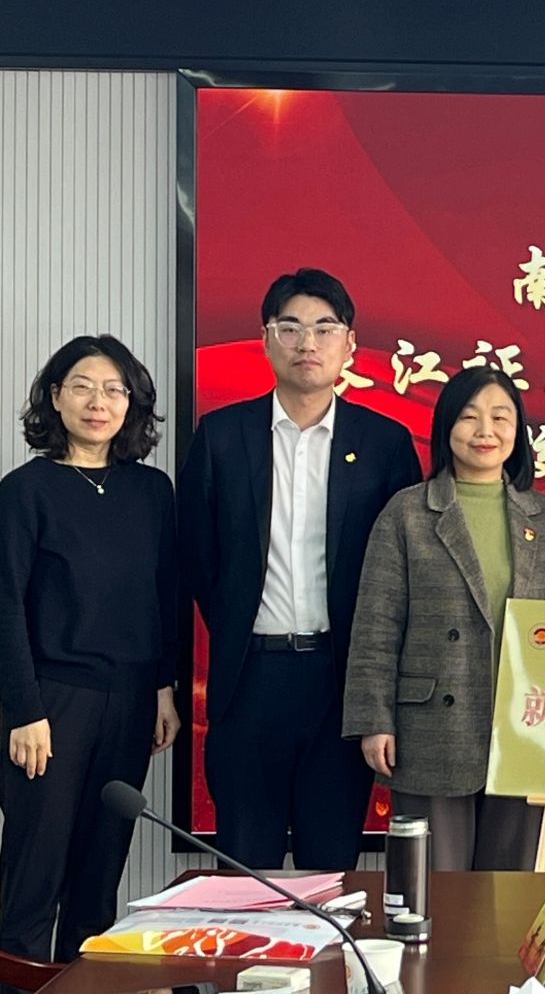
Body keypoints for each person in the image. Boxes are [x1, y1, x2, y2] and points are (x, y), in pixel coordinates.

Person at [180, 268, 422, 869]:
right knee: (245, 871)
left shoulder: (385, 443)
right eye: (289, 328)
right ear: (266, 340)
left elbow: (401, 573)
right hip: (249, 678)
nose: (307, 343)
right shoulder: (221, 436)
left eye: (324, 328)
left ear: (349, 344)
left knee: (330, 868)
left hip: (341, 684)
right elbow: (197, 557)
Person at [0, 335, 180, 962]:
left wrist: (164, 688)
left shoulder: (152, 492)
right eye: (83, 387)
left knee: (98, 884)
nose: (99, 403)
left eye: (114, 390)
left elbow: (165, 595)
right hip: (51, 705)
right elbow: (3, 607)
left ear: (132, 404)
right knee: (34, 881)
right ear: (55, 397)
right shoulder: (25, 491)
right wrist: (24, 710)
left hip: (131, 703)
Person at [344, 367, 545, 870]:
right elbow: (377, 623)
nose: (485, 431)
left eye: (501, 417)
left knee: (511, 889)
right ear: (447, 426)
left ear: (518, 431)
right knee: (434, 887)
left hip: (525, 729)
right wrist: (374, 720)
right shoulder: (407, 513)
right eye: (470, 417)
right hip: (432, 726)